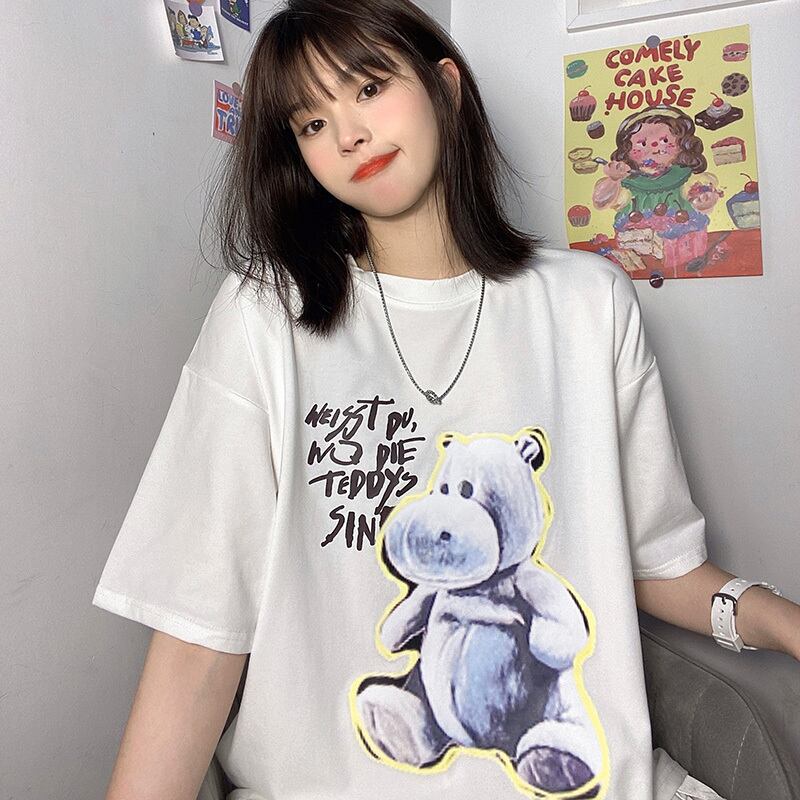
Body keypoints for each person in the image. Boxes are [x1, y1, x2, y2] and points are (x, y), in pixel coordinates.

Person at [91, 2, 799, 799]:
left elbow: (656, 561)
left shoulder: (589, 302)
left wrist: (782, 622)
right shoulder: (265, 316)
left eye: (368, 87)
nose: (348, 135)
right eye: (312, 123)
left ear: (446, 89)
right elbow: (198, 636)